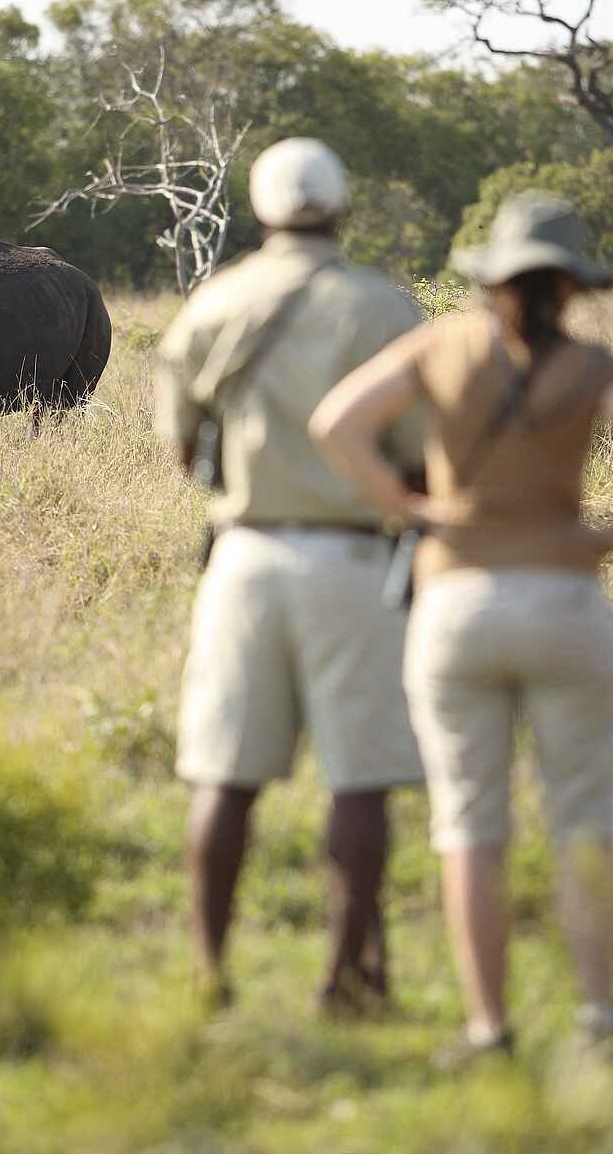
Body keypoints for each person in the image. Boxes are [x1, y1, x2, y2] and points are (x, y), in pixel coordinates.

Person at [311, 192, 613, 1064]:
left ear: (491, 278)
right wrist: (609, 535)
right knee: (580, 818)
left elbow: (335, 424)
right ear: (571, 284)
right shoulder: (593, 365)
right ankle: (598, 1015)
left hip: (457, 605)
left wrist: (409, 507)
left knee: (469, 826)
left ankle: (488, 1027)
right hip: (566, 601)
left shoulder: (442, 345)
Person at [155, 137, 427, 1014]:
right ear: (344, 208)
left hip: (244, 558)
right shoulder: (389, 308)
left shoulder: (215, 302)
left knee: (225, 775)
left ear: (261, 209)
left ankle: (207, 974)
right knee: (359, 780)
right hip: (355, 560)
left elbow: (179, 443)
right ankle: (346, 979)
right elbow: (422, 456)